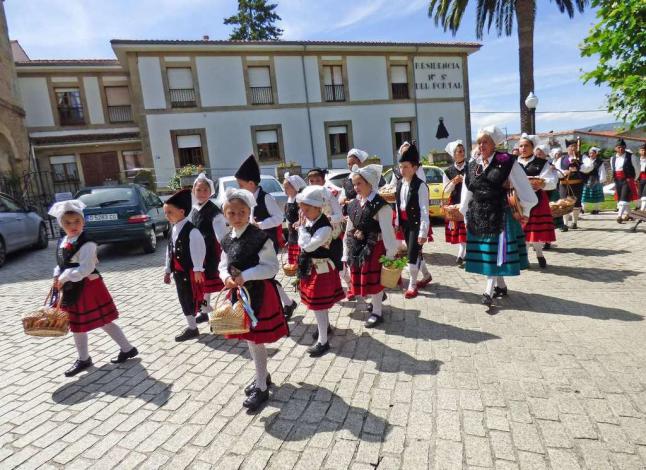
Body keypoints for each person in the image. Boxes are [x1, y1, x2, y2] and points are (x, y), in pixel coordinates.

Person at [218, 188, 289, 411]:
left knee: (256, 340)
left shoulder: (260, 238)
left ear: (249, 212)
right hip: (239, 294)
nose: (237, 216)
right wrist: (226, 277)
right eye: (231, 213)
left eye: (242, 212)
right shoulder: (227, 239)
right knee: (250, 339)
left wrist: (245, 276)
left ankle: (261, 387)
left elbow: (271, 267)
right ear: (225, 214)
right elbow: (223, 264)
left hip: (259, 294)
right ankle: (262, 376)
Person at [48, 200, 138, 377]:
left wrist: (65, 277)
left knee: (104, 321)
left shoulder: (87, 243)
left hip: (88, 286)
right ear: (61, 224)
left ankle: (126, 349)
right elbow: (61, 263)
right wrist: (57, 275)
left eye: (77, 221)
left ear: (83, 221)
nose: (73, 226)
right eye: (68, 223)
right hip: (72, 287)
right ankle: (84, 358)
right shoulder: (63, 241)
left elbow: (86, 268)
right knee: (77, 324)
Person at [459, 126, 537, 309]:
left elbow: (523, 187)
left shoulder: (506, 161)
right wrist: (464, 212)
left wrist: (525, 211)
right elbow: (467, 190)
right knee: (489, 253)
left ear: (494, 144)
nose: (481, 145)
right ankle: (500, 286)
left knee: (495, 253)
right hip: (478, 214)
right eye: (479, 142)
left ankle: (488, 291)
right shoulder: (473, 164)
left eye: (485, 142)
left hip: (499, 215)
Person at [235, 155, 298, 318]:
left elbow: (278, 218)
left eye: (241, 184)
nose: (239, 188)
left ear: (251, 184)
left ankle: (280, 307)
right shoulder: (245, 200)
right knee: (266, 278)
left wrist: (260, 225)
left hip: (267, 244)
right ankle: (288, 304)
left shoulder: (266, 197)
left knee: (268, 277)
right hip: (252, 246)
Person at [343, 164, 398, 327]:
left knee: (375, 281)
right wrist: (346, 251)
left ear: (370, 183)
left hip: (375, 249)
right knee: (368, 282)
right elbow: (349, 228)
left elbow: (388, 232)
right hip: (358, 247)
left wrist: (390, 255)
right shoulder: (354, 203)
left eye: (359, 183)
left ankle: (377, 312)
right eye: (354, 184)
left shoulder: (381, 205)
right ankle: (376, 303)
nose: (355, 187)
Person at [296, 186, 345, 357]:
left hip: (321, 269)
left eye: (307, 210)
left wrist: (301, 229)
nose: (304, 214)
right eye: (302, 210)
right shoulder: (311, 221)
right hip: (313, 268)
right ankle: (325, 328)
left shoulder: (324, 227)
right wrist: (303, 227)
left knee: (319, 306)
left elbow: (307, 246)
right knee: (319, 306)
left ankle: (323, 341)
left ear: (318, 208)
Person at [163, 189, 206, 341]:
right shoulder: (173, 229)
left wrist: (198, 269)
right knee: (183, 299)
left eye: (170, 212)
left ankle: (196, 324)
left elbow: (198, 250)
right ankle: (192, 327)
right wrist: (167, 270)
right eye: (165, 213)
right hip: (178, 273)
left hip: (190, 273)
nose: (167, 216)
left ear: (182, 211)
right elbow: (169, 251)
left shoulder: (192, 231)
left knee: (192, 298)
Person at [393, 142, 432, 298]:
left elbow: (424, 211)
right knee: (415, 252)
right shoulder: (399, 184)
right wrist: (397, 223)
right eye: (400, 167)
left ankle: (412, 285)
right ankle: (427, 275)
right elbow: (398, 205)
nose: (402, 170)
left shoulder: (420, 186)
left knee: (411, 256)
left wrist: (423, 232)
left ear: (415, 168)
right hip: (405, 223)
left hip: (416, 224)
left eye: (406, 167)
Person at [190, 173, 228, 323]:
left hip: (211, 253)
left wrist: (227, 252)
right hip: (199, 253)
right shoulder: (194, 209)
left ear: (210, 191)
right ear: (194, 191)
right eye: (198, 190)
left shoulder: (214, 212)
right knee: (203, 285)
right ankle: (205, 310)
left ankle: (218, 312)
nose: (201, 193)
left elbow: (221, 235)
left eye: (205, 190)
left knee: (210, 283)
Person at [517, 134, 557, 268]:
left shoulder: (541, 163)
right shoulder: (513, 163)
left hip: (537, 200)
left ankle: (538, 253)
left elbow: (551, 181)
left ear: (532, 147)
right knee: (522, 230)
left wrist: (542, 184)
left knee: (535, 229)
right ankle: (529, 256)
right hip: (517, 201)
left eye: (526, 146)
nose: (523, 148)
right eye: (521, 146)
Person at [305, 168, 345, 272]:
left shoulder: (329, 195)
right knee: (320, 268)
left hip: (332, 237)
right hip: (316, 237)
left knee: (336, 266)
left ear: (323, 181)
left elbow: (340, 216)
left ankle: (344, 279)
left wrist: (327, 219)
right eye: (311, 181)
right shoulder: (306, 198)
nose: (314, 183)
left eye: (318, 180)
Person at [443, 139, 468, 267]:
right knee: (460, 230)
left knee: (466, 229)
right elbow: (446, 190)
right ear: (453, 154)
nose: (462, 153)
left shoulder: (470, 167)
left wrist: (465, 180)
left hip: (468, 202)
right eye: (459, 151)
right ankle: (463, 254)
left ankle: (461, 255)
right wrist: (453, 182)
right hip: (455, 203)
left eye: (463, 150)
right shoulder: (448, 171)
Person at [554, 141, 584, 229]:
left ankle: (574, 222)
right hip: (564, 184)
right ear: (567, 148)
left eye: (574, 146)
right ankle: (565, 224)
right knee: (564, 203)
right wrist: (564, 172)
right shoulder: (561, 159)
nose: (573, 148)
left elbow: (589, 167)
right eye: (571, 146)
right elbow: (556, 170)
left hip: (577, 183)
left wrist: (578, 167)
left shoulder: (582, 157)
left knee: (576, 203)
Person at [610, 138, 640, 223]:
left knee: (623, 198)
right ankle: (630, 215)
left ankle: (619, 216)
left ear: (625, 147)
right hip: (617, 180)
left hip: (627, 180)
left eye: (622, 147)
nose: (621, 149)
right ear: (615, 148)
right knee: (621, 198)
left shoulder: (631, 156)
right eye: (619, 147)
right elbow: (613, 169)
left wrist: (633, 178)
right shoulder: (613, 158)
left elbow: (637, 169)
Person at [283, 172, 307, 268]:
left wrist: (299, 222)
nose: (284, 190)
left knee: (301, 261)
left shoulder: (299, 200)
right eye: (284, 188)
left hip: (300, 232)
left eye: (287, 188)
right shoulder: (289, 199)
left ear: (295, 187)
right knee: (294, 264)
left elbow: (304, 215)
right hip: (292, 233)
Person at [581, 147, 607, 215]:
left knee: (596, 195)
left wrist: (601, 180)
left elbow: (602, 171)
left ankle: (596, 209)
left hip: (595, 179)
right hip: (586, 179)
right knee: (584, 195)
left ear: (596, 154)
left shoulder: (599, 162)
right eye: (590, 153)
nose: (591, 154)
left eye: (593, 153)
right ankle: (583, 208)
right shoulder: (586, 161)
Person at [639, 143, 646, 211]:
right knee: (640, 194)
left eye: (645, 150)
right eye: (642, 150)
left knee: (644, 194)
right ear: (639, 151)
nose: (644, 152)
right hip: (640, 179)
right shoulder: (637, 160)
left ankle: (642, 210)